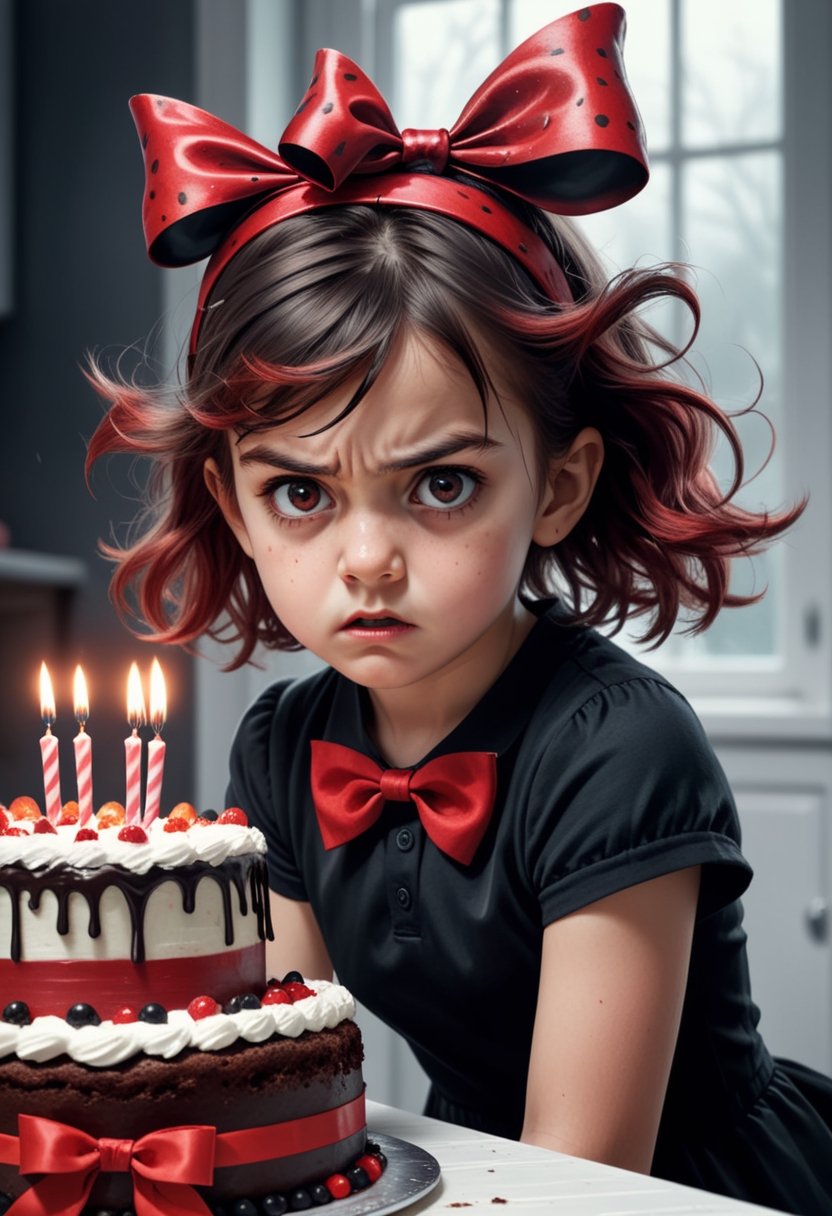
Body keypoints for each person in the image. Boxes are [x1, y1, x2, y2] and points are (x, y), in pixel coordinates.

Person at [86, 6, 832, 1213]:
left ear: (561, 484)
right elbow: (278, 1091)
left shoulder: (620, 750)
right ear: (229, 499)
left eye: (440, 483)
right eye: (299, 491)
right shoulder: (284, 747)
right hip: (470, 1174)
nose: (366, 560)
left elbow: (582, 1169)